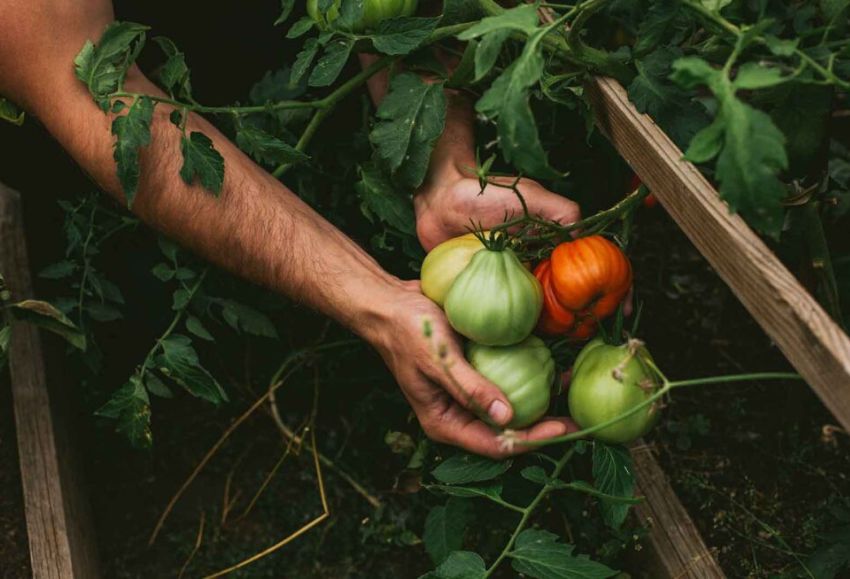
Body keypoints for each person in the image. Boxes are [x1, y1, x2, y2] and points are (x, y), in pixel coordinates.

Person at [0, 0, 581, 458]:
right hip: (67, 107)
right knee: (141, 316)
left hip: (258, 43)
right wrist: (376, 301)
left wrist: (440, 165)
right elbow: (99, 100)